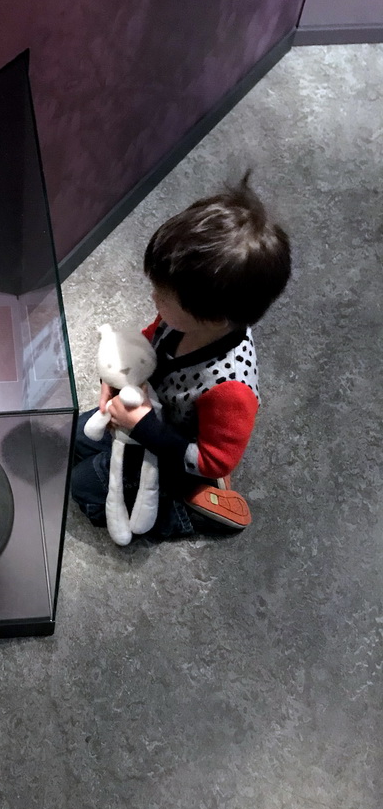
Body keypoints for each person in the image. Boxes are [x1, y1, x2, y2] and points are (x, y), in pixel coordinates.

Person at [71, 173, 291, 538]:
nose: (154, 300)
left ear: (214, 317)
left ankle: (187, 513)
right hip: (148, 410)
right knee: (77, 438)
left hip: (174, 448)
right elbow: (146, 346)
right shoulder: (184, 320)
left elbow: (214, 459)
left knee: (84, 487)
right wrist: (117, 378)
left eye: (163, 296)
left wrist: (144, 427)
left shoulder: (231, 390)